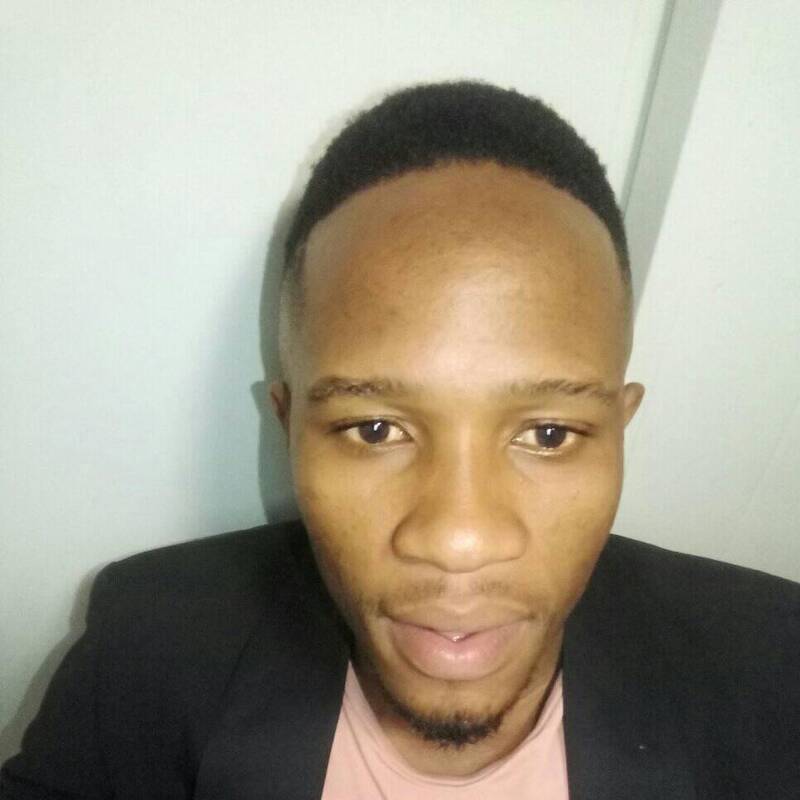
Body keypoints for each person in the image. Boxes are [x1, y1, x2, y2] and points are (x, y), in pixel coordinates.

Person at [2, 81, 798, 799]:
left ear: (620, 429)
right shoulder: (149, 645)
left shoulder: (773, 666)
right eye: (375, 428)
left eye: (549, 433)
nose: (458, 540)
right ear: (289, 428)